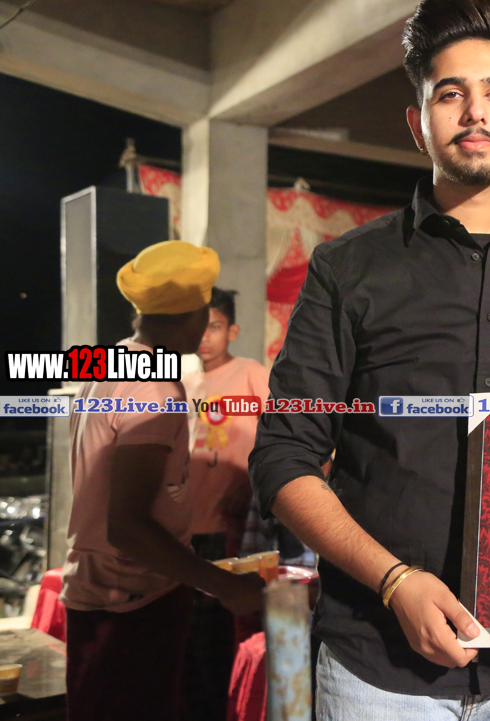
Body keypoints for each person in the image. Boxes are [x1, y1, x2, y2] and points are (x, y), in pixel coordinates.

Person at [248, 0, 490, 719]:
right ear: (418, 123)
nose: (475, 111)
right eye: (451, 94)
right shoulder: (348, 268)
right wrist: (394, 581)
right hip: (378, 671)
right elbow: (284, 458)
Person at [62, 241, 265, 721]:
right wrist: (224, 585)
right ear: (192, 315)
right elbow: (128, 527)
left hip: (105, 593)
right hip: (130, 602)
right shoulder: (153, 386)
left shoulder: (110, 362)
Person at [181, 287, 272, 721]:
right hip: (185, 530)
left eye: (215, 326)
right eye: (199, 326)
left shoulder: (251, 373)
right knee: (188, 645)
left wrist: (254, 482)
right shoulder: (183, 383)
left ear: (232, 331)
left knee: (221, 640)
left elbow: (282, 433)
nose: (205, 336)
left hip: (232, 528)